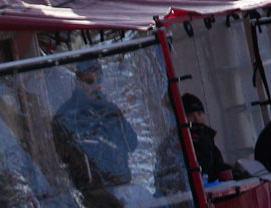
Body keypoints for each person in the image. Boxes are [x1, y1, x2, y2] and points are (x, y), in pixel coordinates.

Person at [53, 60, 139, 190]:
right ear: (78, 82)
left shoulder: (111, 110)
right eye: (90, 81)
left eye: (99, 80)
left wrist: (116, 123)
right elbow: (62, 160)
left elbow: (132, 144)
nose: (96, 86)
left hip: (121, 185)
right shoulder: (65, 116)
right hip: (90, 193)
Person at [154, 92, 246, 194]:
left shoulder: (207, 141)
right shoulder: (172, 146)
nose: (196, 119)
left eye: (199, 114)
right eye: (190, 115)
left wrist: (235, 173)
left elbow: (216, 168)